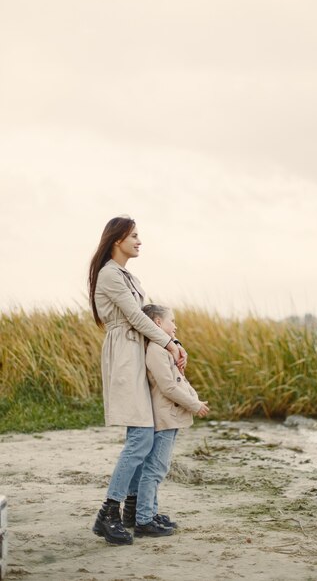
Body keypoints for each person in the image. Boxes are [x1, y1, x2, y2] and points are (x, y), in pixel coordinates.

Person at [88, 216, 186, 546]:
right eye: (134, 236)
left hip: (136, 354)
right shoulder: (109, 275)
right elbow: (134, 316)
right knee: (141, 438)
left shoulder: (127, 274)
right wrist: (169, 343)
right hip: (124, 357)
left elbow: (144, 318)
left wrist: (173, 343)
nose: (139, 240)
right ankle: (108, 512)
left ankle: (132, 511)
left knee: (143, 434)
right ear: (117, 240)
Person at [122, 304, 209, 538]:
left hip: (170, 416)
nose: (176, 326)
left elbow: (179, 380)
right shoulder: (157, 352)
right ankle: (143, 520)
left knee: (156, 467)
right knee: (155, 469)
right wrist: (194, 404)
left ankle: (150, 512)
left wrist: (194, 397)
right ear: (158, 324)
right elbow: (169, 386)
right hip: (165, 417)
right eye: (172, 321)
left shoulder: (163, 349)